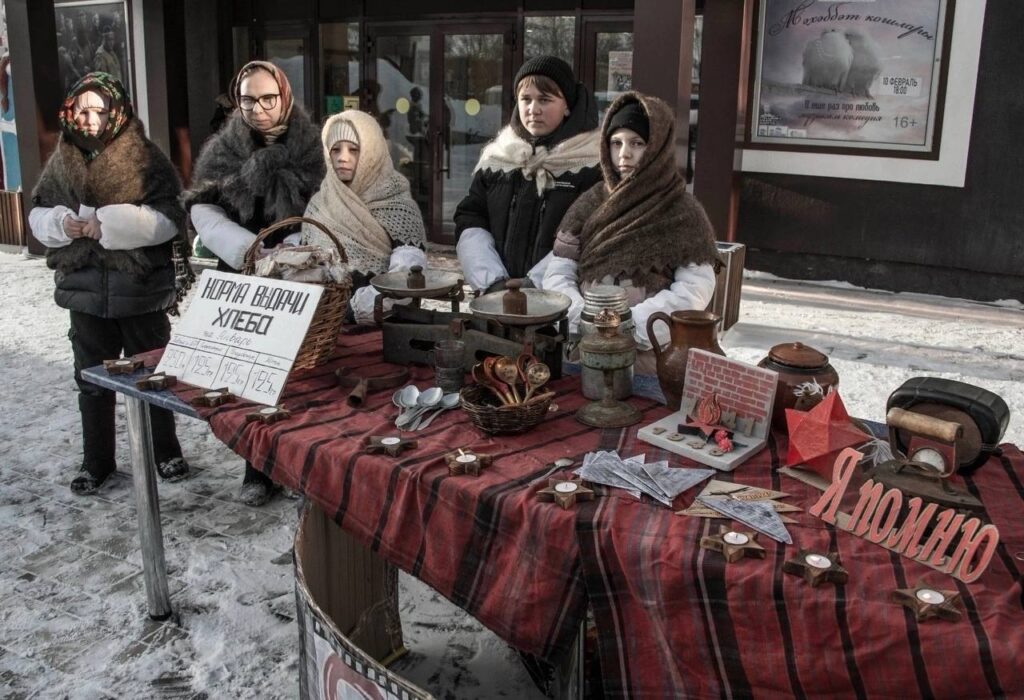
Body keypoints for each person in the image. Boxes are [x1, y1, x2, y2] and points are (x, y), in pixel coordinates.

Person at [29, 72, 191, 495]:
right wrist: (62, 224)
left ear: (117, 110)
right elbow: (39, 212)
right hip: (83, 292)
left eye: (99, 109)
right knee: (91, 382)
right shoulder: (62, 159)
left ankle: (166, 452)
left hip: (140, 290)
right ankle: (96, 462)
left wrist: (109, 224)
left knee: (152, 378)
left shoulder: (145, 157)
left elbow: (168, 219)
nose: (90, 118)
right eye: (82, 109)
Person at [185, 61, 324, 505]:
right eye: (249, 99)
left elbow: (328, 207)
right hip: (243, 274)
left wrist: (300, 250)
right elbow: (202, 208)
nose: (259, 109)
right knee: (251, 380)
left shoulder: (313, 148)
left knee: (300, 379)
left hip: (300, 274)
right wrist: (248, 249)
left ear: (284, 96)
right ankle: (256, 472)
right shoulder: (222, 150)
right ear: (237, 100)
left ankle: (300, 470)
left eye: (268, 98)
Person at [541, 92, 719, 374]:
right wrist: (581, 317)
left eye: (637, 143)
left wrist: (629, 324)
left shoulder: (682, 211)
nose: (624, 154)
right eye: (616, 143)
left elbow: (694, 288)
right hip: (585, 351)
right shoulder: (588, 203)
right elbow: (559, 269)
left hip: (651, 355)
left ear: (657, 147)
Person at [454, 56, 602, 293]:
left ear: (567, 106)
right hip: (495, 299)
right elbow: (471, 217)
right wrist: (492, 282)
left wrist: (536, 284)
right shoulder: (498, 158)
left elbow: (589, 233)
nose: (533, 109)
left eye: (545, 99)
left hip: (560, 304)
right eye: (526, 99)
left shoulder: (591, 166)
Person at [301, 110, 427, 323]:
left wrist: (350, 311)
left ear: (372, 152)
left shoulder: (399, 207)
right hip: (319, 330)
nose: (343, 158)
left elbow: (405, 280)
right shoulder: (318, 204)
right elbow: (303, 266)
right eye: (335, 149)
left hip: (382, 326)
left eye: (354, 149)